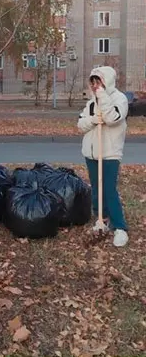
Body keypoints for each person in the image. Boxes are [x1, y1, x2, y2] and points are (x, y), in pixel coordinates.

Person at [77, 66, 129, 247]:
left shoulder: (119, 99)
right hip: (91, 153)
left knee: (108, 189)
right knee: (97, 189)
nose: (94, 85)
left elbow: (112, 118)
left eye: (98, 81)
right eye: (92, 82)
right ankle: (102, 219)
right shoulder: (91, 103)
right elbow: (81, 124)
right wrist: (92, 120)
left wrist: (102, 96)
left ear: (107, 81)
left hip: (109, 153)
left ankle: (120, 227)